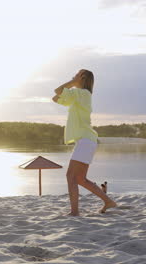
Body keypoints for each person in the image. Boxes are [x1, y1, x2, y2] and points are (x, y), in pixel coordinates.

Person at [52, 69, 116, 216]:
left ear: (82, 78)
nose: (72, 76)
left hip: (86, 141)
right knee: (80, 178)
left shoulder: (83, 94)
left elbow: (58, 90)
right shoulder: (77, 96)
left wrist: (73, 83)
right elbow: (55, 98)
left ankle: (74, 212)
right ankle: (108, 201)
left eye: (75, 75)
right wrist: (74, 83)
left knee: (71, 176)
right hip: (86, 141)